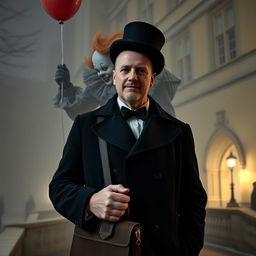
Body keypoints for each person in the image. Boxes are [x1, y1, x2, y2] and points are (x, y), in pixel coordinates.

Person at [49, 21, 207, 256]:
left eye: (141, 70)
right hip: (108, 249)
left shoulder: (179, 132)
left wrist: (187, 249)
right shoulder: (85, 125)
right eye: (125, 70)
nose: (132, 77)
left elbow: (193, 200)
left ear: (152, 79)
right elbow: (59, 188)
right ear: (114, 77)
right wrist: (90, 201)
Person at [53, 31, 180, 120]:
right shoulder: (101, 86)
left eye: (104, 68)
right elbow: (81, 110)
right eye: (97, 70)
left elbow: (168, 120)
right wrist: (66, 86)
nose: (100, 74)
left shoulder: (151, 82)